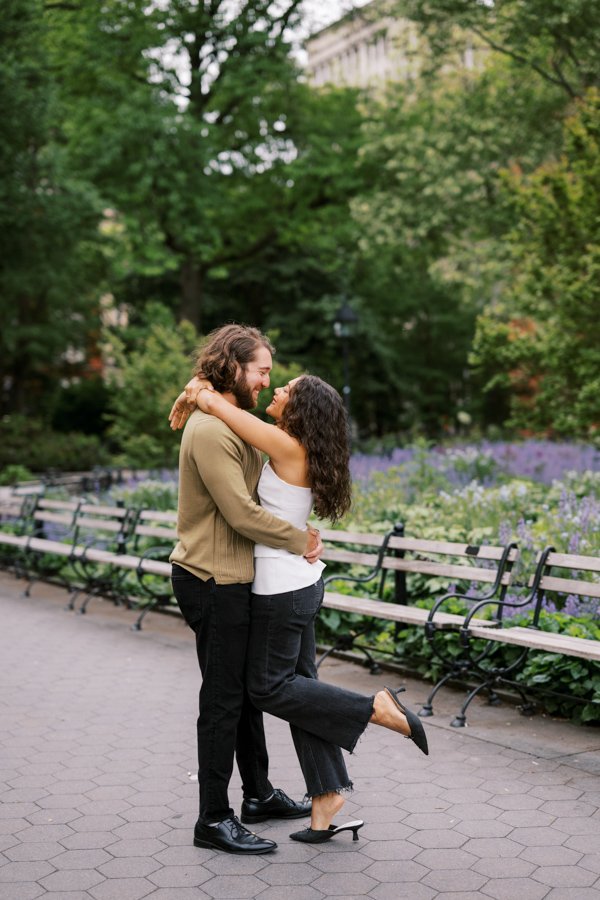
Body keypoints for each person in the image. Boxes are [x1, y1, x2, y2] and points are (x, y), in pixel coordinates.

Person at [170, 368, 429, 846]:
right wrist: (199, 391)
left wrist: (198, 391)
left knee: (268, 689)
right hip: (300, 581)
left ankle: (374, 707)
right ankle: (327, 797)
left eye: (287, 388)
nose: (277, 389)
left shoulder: (284, 445)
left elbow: (223, 409)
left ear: (301, 409)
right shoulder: (290, 446)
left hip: (281, 589)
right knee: (303, 691)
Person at [168, 324, 324, 856]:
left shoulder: (231, 422)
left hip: (237, 579)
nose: (264, 381)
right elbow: (238, 512)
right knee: (222, 699)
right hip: (212, 579)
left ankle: (256, 794)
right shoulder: (211, 431)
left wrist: (199, 390)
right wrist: (298, 537)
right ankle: (213, 817)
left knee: (242, 695)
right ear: (232, 366)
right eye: (259, 370)